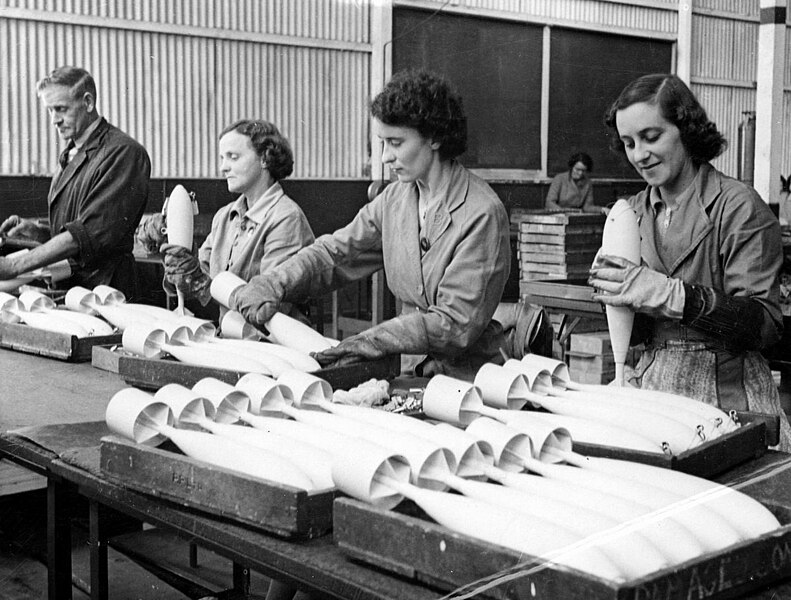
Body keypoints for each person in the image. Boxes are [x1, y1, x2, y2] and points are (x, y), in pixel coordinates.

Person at [229, 70, 511, 380]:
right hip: (407, 371)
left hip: (469, 380)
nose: (386, 157)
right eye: (382, 143)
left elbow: (455, 324)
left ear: (434, 137)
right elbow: (335, 252)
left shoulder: (481, 213)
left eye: (396, 143)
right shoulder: (395, 200)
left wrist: (370, 340)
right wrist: (275, 281)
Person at [589, 73, 791, 452]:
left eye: (651, 137)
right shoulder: (632, 214)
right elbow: (639, 333)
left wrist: (674, 296)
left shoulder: (739, 207)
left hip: (729, 396)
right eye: (629, 143)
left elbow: (764, 326)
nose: (639, 155)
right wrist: (612, 297)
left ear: (686, 130)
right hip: (653, 390)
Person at [0, 66, 151, 298]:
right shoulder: (71, 154)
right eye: (50, 110)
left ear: (88, 102)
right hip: (73, 288)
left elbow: (88, 235)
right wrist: (38, 233)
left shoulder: (123, 153)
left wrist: (14, 266)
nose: (54, 120)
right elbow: (76, 228)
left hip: (106, 293)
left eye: (60, 109)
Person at [160, 119, 314, 319]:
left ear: (265, 159)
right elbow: (199, 279)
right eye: (222, 158)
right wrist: (182, 272)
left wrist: (200, 283)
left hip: (270, 343)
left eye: (233, 157)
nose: (223, 167)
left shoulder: (286, 218)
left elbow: (268, 307)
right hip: (232, 334)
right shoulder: (224, 216)